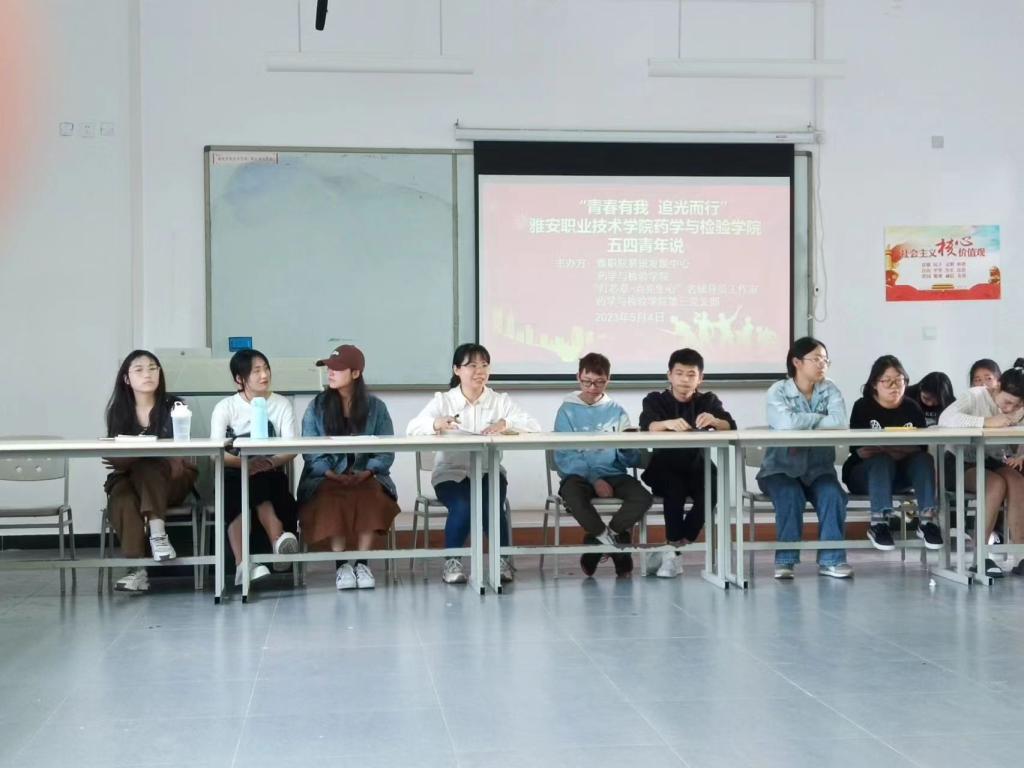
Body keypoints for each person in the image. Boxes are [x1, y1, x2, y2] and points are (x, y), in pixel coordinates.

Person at [407, 343, 541, 585]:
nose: (480, 371)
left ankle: (501, 561)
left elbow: (533, 425)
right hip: (451, 474)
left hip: (489, 472)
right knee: (463, 506)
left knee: (492, 506)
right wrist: (436, 423)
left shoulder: (499, 401)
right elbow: (412, 428)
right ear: (457, 370)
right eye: (472, 365)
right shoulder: (443, 401)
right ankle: (452, 562)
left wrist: (505, 424)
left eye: (484, 365)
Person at [296, 345, 399, 591]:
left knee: (370, 494)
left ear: (355, 373)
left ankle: (363, 563)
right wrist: (331, 473)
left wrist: (368, 471)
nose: (330, 372)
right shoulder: (316, 406)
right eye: (329, 368)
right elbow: (310, 451)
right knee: (332, 495)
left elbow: (386, 450)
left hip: (367, 475)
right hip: (325, 476)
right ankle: (341, 565)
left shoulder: (376, 408)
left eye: (337, 368)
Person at [103, 350, 198, 593]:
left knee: (147, 466)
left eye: (153, 368)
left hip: (172, 479)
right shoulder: (118, 411)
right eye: (139, 369)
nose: (147, 374)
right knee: (123, 497)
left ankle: (157, 533)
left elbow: (178, 454)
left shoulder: (174, 406)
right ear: (127, 378)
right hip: (129, 479)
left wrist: (137, 456)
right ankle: (138, 570)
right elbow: (116, 455)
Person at [757, 337, 851, 579]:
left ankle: (832, 560)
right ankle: (785, 561)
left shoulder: (830, 389)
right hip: (779, 470)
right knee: (790, 494)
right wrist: (819, 418)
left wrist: (802, 420)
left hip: (819, 470)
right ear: (797, 362)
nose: (822, 364)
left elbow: (840, 422)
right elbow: (785, 424)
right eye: (816, 359)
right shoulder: (778, 390)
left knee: (833, 495)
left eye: (825, 360)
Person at [638, 348, 736, 578]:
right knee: (675, 488)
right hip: (664, 465)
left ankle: (674, 546)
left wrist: (715, 420)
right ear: (669, 375)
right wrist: (667, 424)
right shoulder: (655, 399)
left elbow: (730, 425)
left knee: (714, 485)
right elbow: (647, 425)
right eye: (679, 373)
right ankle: (672, 553)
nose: (684, 379)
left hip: (697, 465)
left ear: (700, 378)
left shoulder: (707, 400)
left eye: (691, 374)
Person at [553, 352, 652, 578]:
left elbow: (629, 459)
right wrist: (594, 479)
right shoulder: (567, 410)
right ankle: (616, 544)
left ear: (608, 380)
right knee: (572, 495)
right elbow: (565, 455)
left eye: (599, 382)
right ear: (578, 377)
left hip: (614, 473)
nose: (592, 388)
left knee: (642, 497)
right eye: (587, 381)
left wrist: (628, 447)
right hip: (579, 475)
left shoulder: (616, 410)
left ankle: (598, 541)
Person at [209, 349, 299, 588]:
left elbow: (292, 448)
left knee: (260, 481)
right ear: (239, 379)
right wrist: (245, 464)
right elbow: (214, 453)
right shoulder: (225, 407)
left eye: (266, 369)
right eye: (256, 371)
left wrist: (268, 462)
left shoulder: (281, 404)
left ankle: (244, 566)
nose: (264, 375)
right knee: (238, 488)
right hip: (234, 472)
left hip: (270, 471)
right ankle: (275, 540)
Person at [842, 355, 942, 552]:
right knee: (881, 461)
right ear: (874, 384)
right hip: (865, 475)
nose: (894, 386)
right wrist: (895, 450)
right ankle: (879, 524)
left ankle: (927, 521)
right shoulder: (862, 406)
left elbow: (920, 448)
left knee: (924, 459)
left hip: (900, 476)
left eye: (899, 380)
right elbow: (860, 450)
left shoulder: (912, 407)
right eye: (887, 381)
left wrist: (888, 449)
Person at [938, 366, 1024, 578]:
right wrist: (986, 422)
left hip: (991, 460)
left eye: (1017, 405)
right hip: (959, 462)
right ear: (997, 387)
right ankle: (980, 557)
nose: (1010, 409)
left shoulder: (1018, 408)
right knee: (995, 485)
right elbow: (945, 418)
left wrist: (1020, 454)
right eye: (1007, 402)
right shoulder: (976, 396)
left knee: (1017, 481)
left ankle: (1021, 555)